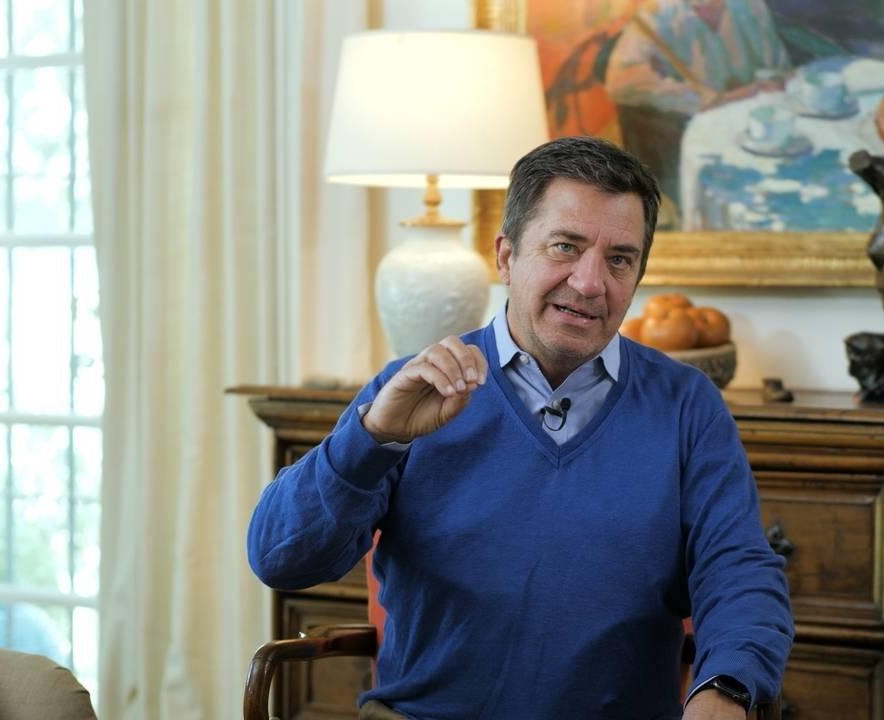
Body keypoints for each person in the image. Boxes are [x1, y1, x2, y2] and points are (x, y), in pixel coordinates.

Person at [247, 136, 793, 719]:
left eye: (619, 259)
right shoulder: (412, 390)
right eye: (565, 247)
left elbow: (738, 569)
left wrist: (727, 685)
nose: (590, 282)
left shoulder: (687, 404)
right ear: (506, 256)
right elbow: (281, 561)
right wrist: (372, 439)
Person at [603, 0, 791, 224]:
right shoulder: (658, 14)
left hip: (758, 130)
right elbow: (620, 82)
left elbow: (779, 71)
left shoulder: (750, 6)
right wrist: (699, 99)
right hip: (698, 137)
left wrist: (769, 85)